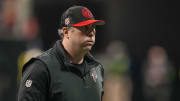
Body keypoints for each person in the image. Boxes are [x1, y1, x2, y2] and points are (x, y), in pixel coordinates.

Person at [18, 5, 105, 101]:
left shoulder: (97, 68)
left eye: (93, 27)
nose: (91, 33)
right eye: (85, 28)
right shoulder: (41, 68)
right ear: (66, 32)